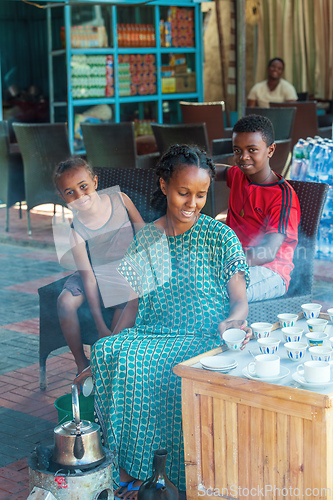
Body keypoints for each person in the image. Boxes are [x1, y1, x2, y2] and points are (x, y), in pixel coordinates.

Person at [79, 145, 252, 499]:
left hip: (203, 335)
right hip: (153, 330)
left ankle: (172, 475)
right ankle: (129, 472)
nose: (192, 202)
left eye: (201, 195)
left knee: (154, 367)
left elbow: (239, 299)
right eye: (183, 192)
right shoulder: (147, 239)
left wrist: (235, 321)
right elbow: (133, 304)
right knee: (112, 352)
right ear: (164, 186)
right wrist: (107, 345)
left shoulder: (220, 236)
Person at [53, 157, 144, 381]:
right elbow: (89, 278)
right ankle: (81, 364)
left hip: (124, 273)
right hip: (93, 272)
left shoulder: (120, 200)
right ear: (62, 197)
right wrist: (98, 325)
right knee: (64, 302)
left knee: (116, 326)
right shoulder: (76, 231)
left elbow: (144, 235)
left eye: (83, 187)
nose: (80, 196)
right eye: (70, 192)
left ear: (95, 181)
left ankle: (105, 369)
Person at [215, 114, 301, 303]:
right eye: (237, 150)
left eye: (252, 150)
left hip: (270, 271)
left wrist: (225, 265)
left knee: (213, 292)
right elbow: (218, 171)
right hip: (235, 263)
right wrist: (194, 167)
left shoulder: (283, 196)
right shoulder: (239, 175)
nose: (243, 157)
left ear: (270, 150)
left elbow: (268, 252)